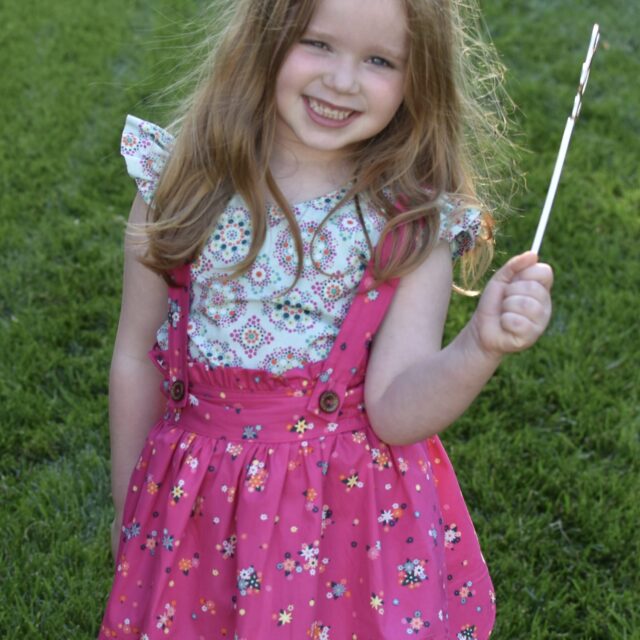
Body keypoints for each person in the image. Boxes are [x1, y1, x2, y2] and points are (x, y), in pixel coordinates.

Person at [99, 0, 553, 638]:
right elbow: (134, 358)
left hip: (343, 528)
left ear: (417, 77)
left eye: (379, 61)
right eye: (317, 43)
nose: (342, 81)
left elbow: (396, 412)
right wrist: (133, 513)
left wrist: (479, 344)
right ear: (265, 36)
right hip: (194, 509)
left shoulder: (408, 226)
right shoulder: (179, 186)